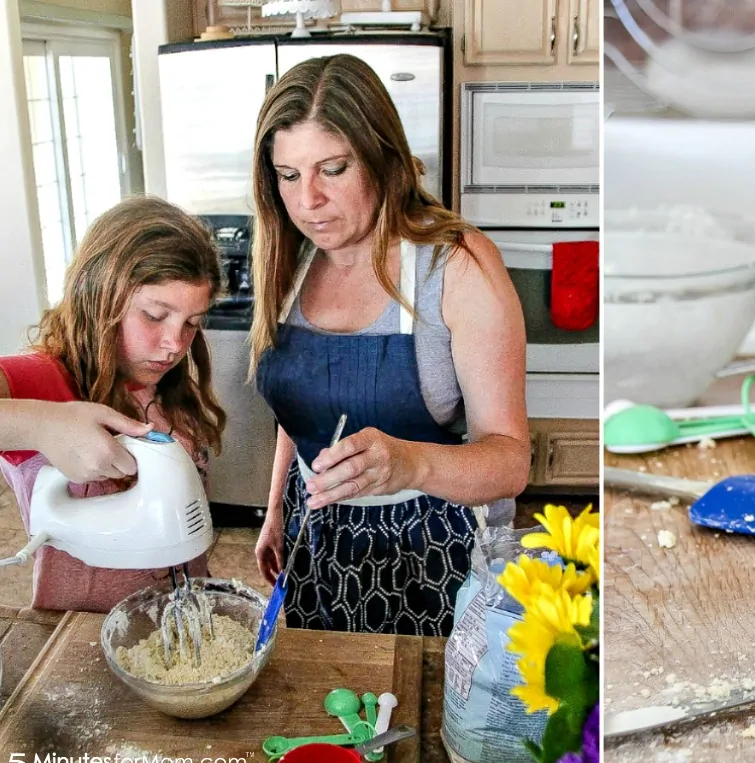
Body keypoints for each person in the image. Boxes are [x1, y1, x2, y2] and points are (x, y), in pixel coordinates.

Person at [249, 54, 530, 638]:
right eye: (289, 175)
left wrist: (409, 462)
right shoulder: (289, 257)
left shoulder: (456, 264)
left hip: (433, 555)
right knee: (323, 709)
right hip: (315, 536)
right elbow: (302, 401)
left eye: (334, 168)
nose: (308, 202)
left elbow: (510, 461)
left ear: (381, 156)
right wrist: (276, 506)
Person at [0, 196, 227, 612]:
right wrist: (41, 424)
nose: (174, 345)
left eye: (192, 323)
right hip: (82, 633)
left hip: (183, 618)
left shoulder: (166, 383)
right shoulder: (45, 380)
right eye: (155, 316)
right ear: (98, 294)